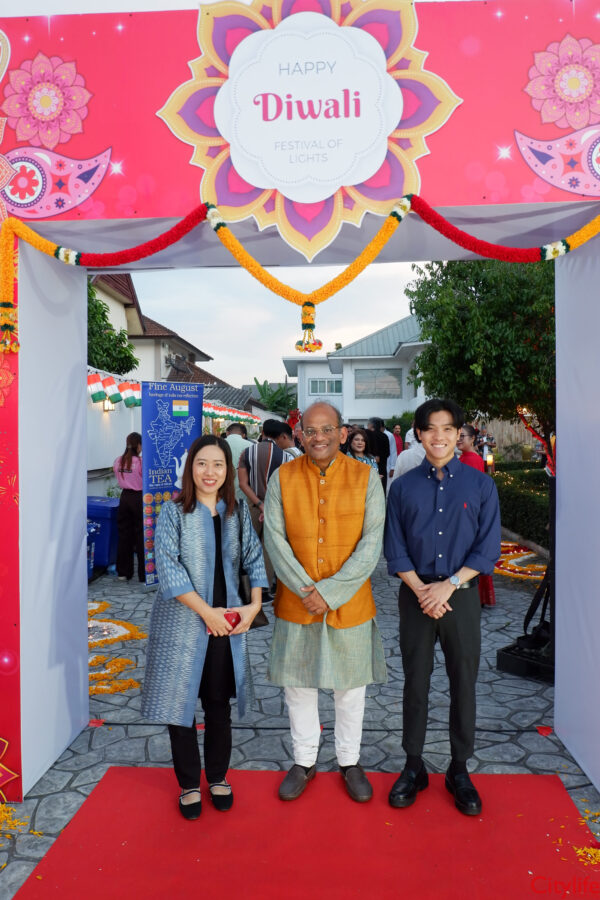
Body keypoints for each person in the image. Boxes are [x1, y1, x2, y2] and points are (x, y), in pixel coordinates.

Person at [264, 402, 386, 804]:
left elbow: (372, 544)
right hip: (296, 603)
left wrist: (330, 592)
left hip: (350, 603)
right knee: (298, 686)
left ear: (342, 433)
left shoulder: (366, 477)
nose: (319, 437)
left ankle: (349, 761)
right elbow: (275, 540)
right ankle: (304, 760)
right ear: (300, 435)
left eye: (327, 429)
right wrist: (307, 591)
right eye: (311, 431)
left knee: (350, 688)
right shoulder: (282, 477)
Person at [384, 399, 500, 817]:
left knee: (463, 682)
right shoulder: (402, 488)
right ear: (418, 434)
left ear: (458, 434)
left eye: (448, 428)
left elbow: (487, 548)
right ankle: (413, 765)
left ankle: (459, 768)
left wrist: (447, 587)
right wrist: (423, 591)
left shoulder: (480, 485)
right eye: (430, 428)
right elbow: (394, 548)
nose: (439, 436)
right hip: (415, 596)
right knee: (415, 682)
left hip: (461, 597)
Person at [142, 435, 267, 820]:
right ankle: (188, 784)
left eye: (217, 464)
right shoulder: (172, 511)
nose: (209, 472)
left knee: (218, 704)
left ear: (228, 470)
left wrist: (254, 605)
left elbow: (254, 558)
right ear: (189, 468)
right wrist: (207, 613)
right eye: (201, 463)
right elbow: (169, 569)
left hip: (225, 625)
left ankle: (216, 776)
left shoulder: (236, 512)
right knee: (178, 707)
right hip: (182, 623)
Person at [238, 418, 293, 601]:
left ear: (263, 432)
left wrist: (259, 504)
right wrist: (269, 506)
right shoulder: (287, 457)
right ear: (279, 435)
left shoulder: (247, 452)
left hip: (253, 505)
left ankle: (246, 590)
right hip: (275, 507)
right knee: (269, 549)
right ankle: (264, 589)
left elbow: (243, 483)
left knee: (248, 546)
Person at [457, 425, 496, 608]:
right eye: (457, 436)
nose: (458, 439)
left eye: (462, 436)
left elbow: (471, 491)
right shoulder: (465, 457)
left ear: (473, 439)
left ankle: (475, 595)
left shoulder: (471, 459)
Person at [113, 432, 144, 582]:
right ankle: (144, 574)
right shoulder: (141, 462)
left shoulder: (118, 461)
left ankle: (123, 572)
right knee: (141, 535)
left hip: (124, 498)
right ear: (139, 445)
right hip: (138, 498)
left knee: (124, 535)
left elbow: (117, 476)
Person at [225, 422, 253, 500]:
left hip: (222, 491)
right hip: (244, 492)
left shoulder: (217, 444)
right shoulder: (250, 445)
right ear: (244, 435)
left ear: (227, 433)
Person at [367, 417, 390, 490]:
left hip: (370, 467)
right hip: (382, 467)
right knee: (382, 489)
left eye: (368, 425)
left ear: (371, 425)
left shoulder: (368, 436)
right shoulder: (385, 436)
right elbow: (388, 453)